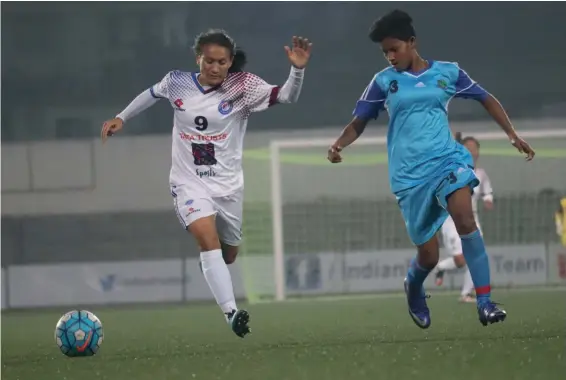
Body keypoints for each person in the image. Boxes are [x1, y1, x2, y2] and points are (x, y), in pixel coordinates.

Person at [327, 10, 535, 329]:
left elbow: (485, 98)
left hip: (446, 159)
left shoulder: (448, 72)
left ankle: (484, 303)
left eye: (394, 48)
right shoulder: (383, 81)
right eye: (385, 52)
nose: (390, 56)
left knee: (465, 216)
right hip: (410, 176)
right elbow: (359, 122)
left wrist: (512, 134)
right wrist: (338, 144)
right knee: (429, 256)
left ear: (412, 42)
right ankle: (413, 286)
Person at [101, 29, 312, 338]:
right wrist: (122, 117)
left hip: (227, 187)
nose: (215, 68)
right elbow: (152, 93)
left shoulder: (243, 86)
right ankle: (231, 312)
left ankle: (212, 264)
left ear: (230, 62)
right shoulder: (177, 82)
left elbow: (287, 96)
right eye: (209, 61)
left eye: (222, 62)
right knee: (206, 239)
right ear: (198, 58)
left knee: (228, 255)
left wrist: (298, 69)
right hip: (189, 183)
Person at [435, 136, 494, 303]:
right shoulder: (452, 169)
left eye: (475, 148)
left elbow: (487, 191)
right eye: (468, 147)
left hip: (472, 219)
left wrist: (488, 199)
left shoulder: (481, 174)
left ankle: (466, 293)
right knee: (461, 260)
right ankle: (441, 266)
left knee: (476, 255)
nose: (472, 151)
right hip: (451, 220)